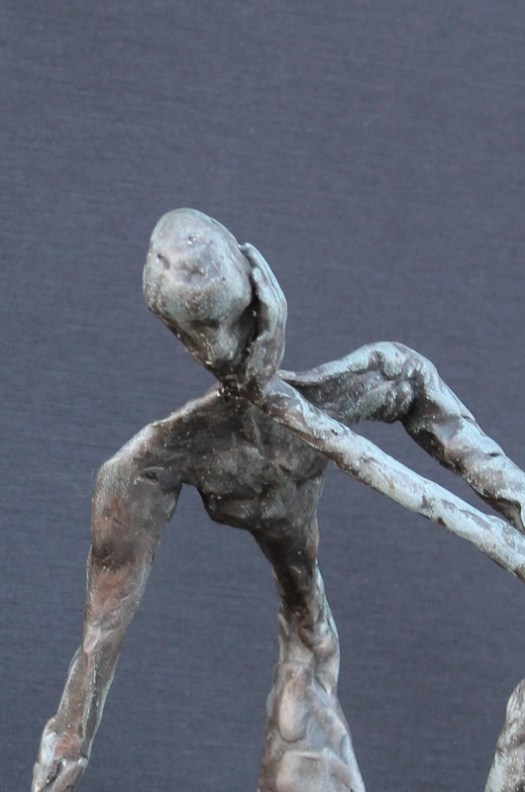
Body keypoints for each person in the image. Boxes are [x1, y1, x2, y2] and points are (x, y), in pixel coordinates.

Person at [32, 209, 525, 792]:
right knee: (306, 658)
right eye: (205, 332)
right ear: (185, 340)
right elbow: (107, 613)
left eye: (239, 322)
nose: (230, 348)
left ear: (261, 287)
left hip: (308, 625)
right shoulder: (155, 462)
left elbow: (446, 423)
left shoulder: (373, 380)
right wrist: (69, 736)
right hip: (305, 623)